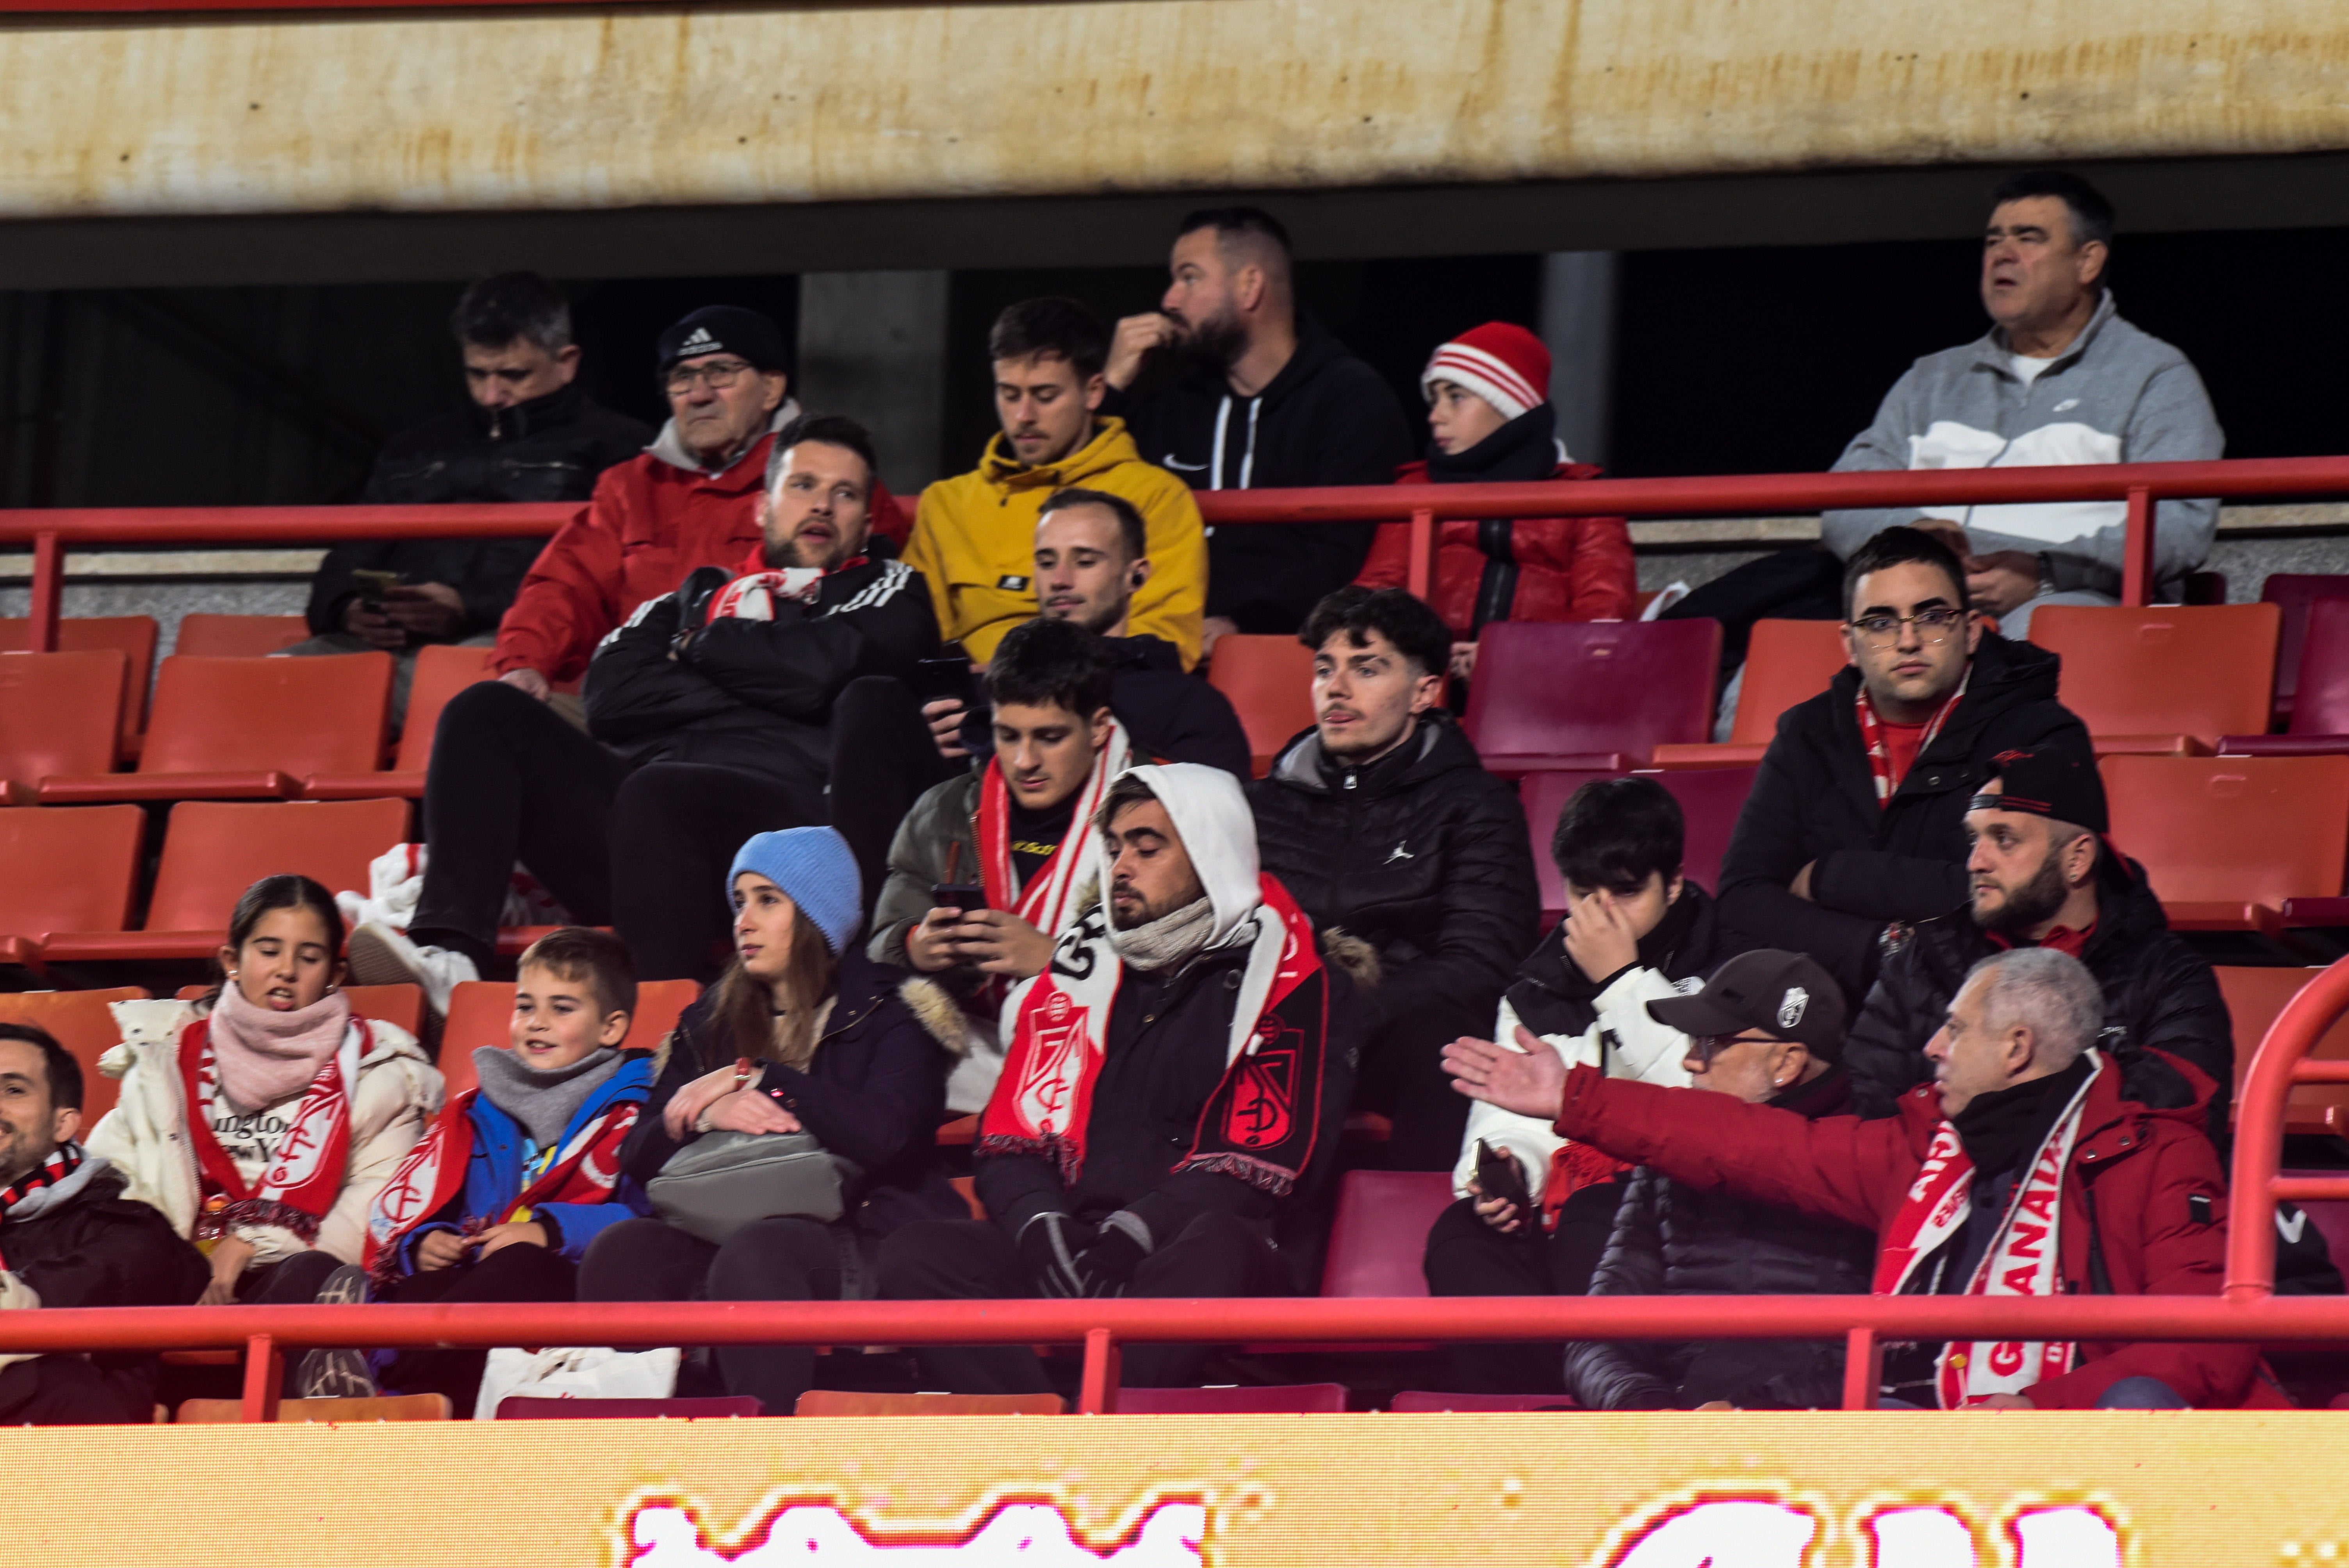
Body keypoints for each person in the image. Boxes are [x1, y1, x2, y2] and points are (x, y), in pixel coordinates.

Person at [1447, 946, 2268, 1410]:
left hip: (2087, 1441)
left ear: (2015, 1048)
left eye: (1954, 1027)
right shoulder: (1917, 1149)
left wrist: (2034, 1411)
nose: (1931, 1047)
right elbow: (1751, 1145)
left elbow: (2202, 1347)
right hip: (1939, 1425)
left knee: (2135, 1410)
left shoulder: (2155, 1151)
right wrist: (1574, 1097)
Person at [348, 414, 937, 1004]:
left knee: (662, 789)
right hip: (636, 830)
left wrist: (701, 649)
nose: (823, 507)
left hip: (781, 840)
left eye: (845, 494)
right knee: (484, 710)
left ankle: (667, 1027)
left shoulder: (889, 588)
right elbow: (612, 698)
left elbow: (829, 671)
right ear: (762, 506)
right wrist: (781, 682)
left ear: (865, 520)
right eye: (803, 485)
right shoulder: (689, 596)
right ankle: (451, 958)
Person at [877, 764, 1362, 1392]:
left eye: (1147, 846)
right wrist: (1039, 1226)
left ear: (1211, 854)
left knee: (1218, 1245)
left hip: (1192, 1247)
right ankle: (1040, 1428)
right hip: (1075, 1236)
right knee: (917, 1256)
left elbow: (1259, 1162)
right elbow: (1010, 1140)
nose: (1121, 866)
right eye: (1112, 848)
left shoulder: (1301, 983)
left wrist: (1134, 1235)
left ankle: (1106, 1433)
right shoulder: (1079, 973)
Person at [577, 828, 967, 1416]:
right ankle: (633, 1456)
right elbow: (637, 1153)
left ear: (816, 915)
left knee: (759, 1255)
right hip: (723, 1229)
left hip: (864, 1232)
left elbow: (890, 1135)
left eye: (768, 900)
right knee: (622, 1253)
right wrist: (705, 1112)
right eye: (739, 902)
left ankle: (766, 1459)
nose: (745, 921)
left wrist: (765, 1077)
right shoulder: (708, 1018)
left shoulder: (894, 1009)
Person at [1422, 777, 1757, 1391]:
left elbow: (1718, 1111)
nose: (1602, 917)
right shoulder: (1535, 988)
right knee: (1458, 1234)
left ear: (1675, 883)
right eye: (1583, 894)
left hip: (1686, 1219)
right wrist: (1509, 1173)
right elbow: (1501, 1123)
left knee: (1596, 1214)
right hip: (1559, 1211)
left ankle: (1612, 1405)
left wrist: (1621, 982)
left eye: (1627, 893)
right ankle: (1527, 1417)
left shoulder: (1736, 968)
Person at [1823, 170, 2223, 637]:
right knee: (1781, 660)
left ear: (2087, 262)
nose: (2002, 255)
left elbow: (2179, 530)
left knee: (2034, 641)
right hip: (1918, 602)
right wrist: (1914, 538)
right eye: (1993, 240)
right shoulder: (1929, 380)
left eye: (2028, 238)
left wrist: (2045, 573)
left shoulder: (2155, 375)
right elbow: (1842, 506)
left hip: (2067, 602)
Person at [1714, 525, 2093, 1003]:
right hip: (1829, 1007)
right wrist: (1884, 948)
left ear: (1971, 630)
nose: (1908, 640)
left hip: (1993, 1008)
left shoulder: (2041, 732)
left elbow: (2030, 890)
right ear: (1849, 643)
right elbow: (1743, 898)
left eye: (1931, 616)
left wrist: (1834, 876)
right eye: (1880, 622)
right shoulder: (1805, 733)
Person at [829, 488, 1248, 904]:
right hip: (964, 857)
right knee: (871, 699)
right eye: (1046, 562)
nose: (1061, 579)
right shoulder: (984, 686)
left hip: (1097, 888)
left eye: (1085, 561)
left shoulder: (1186, 701)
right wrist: (927, 741)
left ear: (1135, 575)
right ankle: (864, 928)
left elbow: (1211, 836)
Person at [88, 876, 443, 1362]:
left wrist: (254, 1245)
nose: (287, 971)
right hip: (171, 1261)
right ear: (232, 960)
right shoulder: (163, 1057)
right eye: (269, 950)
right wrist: (180, 1253)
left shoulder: (382, 1070)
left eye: (309, 957)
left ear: (335, 972)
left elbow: (376, 1205)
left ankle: (311, 1413)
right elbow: (114, 1172)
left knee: (312, 1278)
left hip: (287, 1270)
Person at [1250, 586, 1538, 1170]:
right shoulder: (1260, 805)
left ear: (1424, 691)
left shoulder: (1476, 803)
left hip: (1392, 1031)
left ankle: (1412, 1244)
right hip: (1275, 1024)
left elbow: (1480, 962)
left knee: (1450, 1042)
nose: (1337, 688)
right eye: (1325, 669)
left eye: (1367, 669)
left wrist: (1348, 1011)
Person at [488, 305, 910, 701]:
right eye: (682, 377)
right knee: (491, 712)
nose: (699, 394)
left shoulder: (834, 479)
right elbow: (563, 587)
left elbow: (872, 612)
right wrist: (526, 664)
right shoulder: (629, 486)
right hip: (637, 704)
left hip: (773, 706)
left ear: (771, 388)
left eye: (720, 373)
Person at [287, 273, 652, 720]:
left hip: (509, 643)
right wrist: (347, 608)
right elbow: (348, 553)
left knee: (463, 693)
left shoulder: (619, 447)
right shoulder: (415, 447)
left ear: (567, 362)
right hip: (377, 646)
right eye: (477, 374)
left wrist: (469, 606)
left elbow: (611, 580)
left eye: (513, 375)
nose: (492, 395)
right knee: (265, 682)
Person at [324, 928, 656, 1411]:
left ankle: (374, 1370)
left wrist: (549, 1230)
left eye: (562, 1008)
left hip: (573, 1283)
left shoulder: (637, 1110)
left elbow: (648, 1221)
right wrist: (427, 1241)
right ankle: (374, 1377)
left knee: (520, 1266)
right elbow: (443, 1204)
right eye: (525, 1006)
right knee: (423, 1285)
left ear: (611, 1027)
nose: (536, 1023)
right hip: (475, 1284)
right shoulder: (479, 1109)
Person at [1844, 742, 2233, 1134]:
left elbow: (2183, 1128)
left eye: (2004, 839)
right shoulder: (1922, 959)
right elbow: (1867, 1120)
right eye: (1974, 839)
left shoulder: (2170, 975)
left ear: (2076, 860)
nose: (1975, 861)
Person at [1561, 950, 1878, 1410]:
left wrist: (1753, 1412)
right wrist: (1645, 1408)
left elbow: (1892, 1357)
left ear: (1786, 1063)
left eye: (1709, 1044)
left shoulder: (1870, 1160)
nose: (1690, 1061)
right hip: (1671, 1421)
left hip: (1812, 1446)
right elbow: (1596, 1336)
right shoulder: (1671, 1159)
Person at [1103, 207, 1414, 648]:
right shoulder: (1174, 408)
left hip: (1294, 654)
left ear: (1250, 286)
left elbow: (1341, 552)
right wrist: (1112, 387)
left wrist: (1244, 626)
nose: (1170, 299)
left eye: (1189, 277)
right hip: (1159, 650)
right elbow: (1090, 509)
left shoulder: (1351, 399)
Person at [868, 617, 1139, 1112]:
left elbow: (1184, 978)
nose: (1024, 761)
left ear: (1099, 728)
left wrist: (1056, 962)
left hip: (1105, 1052)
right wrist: (917, 947)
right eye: (1007, 735)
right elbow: (881, 944)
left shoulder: (1158, 813)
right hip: (970, 1047)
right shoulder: (943, 809)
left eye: (1049, 737)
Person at [905, 297, 1207, 670]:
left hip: (1101, 707)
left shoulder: (1157, 497)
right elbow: (914, 642)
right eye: (1009, 394)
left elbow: (1164, 641)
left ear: (1094, 392)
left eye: (1045, 396)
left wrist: (1024, 683)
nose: (1023, 416)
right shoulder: (945, 504)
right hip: (970, 713)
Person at [1355, 321, 1635, 678]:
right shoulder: (1414, 488)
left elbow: (1605, 616)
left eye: (1456, 397)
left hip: (1541, 697)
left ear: (1511, 406)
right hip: (1424, 698)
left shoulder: (1586, 495)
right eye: (1435, 398)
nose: (1435, 416)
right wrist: (1426, 658)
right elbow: (1374, 598)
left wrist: (1511, 657)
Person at [0, 1023, 209, 1425]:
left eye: (14, 1090)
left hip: (68, 1461)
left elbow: (150, 1269)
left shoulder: (125, 1228)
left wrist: (19, 1298)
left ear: (63, 1124)